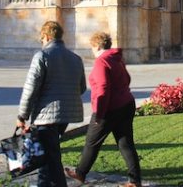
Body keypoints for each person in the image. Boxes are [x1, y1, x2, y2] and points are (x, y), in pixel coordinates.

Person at [65, 32, 141, 187]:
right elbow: (127, 79)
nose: (92, 51)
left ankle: (80, 174)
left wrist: (99, 114)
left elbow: (102, 88)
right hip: (126, 104)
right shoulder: (116, 58)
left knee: (92, 142)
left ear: (97, 45)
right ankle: (135, 181)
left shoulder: (102, 61)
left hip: (109, 109)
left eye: (92, 47)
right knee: (125, 143)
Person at [17, 21, 87, 187]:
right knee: (47, 154)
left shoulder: (42, 56)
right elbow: (82, 88)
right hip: (66, 115)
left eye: (41, 39)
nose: (42, 42)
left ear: (46, 37)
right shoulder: (76, 58)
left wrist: (22, 115)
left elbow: (30, 89)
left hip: (46, 115)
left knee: (51, 157)